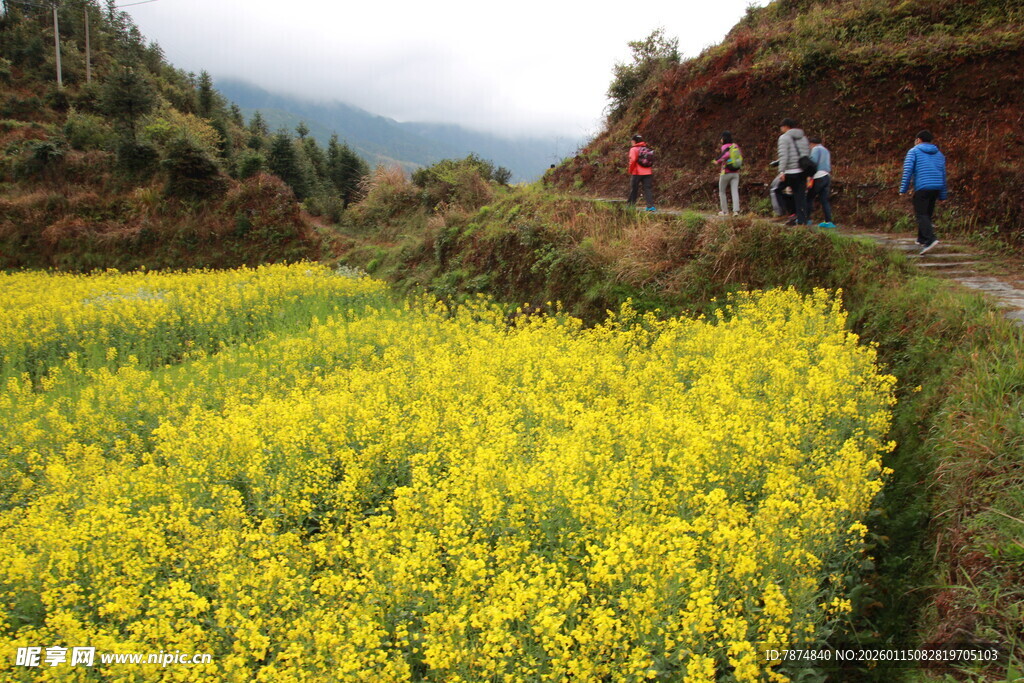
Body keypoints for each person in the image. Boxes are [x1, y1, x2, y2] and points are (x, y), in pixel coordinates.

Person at [899, 130, 947, 254]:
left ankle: (930, 239)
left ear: (918, 140)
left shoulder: (914, 151)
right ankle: (922, 239)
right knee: (927, 214)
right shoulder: (939, 154)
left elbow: (908, 171)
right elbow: (943, 175)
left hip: (923, 186)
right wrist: (943, 195)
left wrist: (903, 189)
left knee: (921, 214)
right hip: (936, 187)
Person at [775, 118, 810, 225]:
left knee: (777, 190)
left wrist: (782, 171)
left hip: (790, 172)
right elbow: (807, 154)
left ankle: (791, 213)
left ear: (786, 126)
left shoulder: (784, 138)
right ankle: (802, 221)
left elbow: (783, 155)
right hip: (802, 172)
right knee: (800, 196)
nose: (781, 128)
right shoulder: (803, 138)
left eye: (781, 126)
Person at [807, 136, 835, 228]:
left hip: (818, 176)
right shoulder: (826, 150)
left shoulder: (815, 149)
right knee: (824, 200)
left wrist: (808, 175)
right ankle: (828, 221)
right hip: (827, 176)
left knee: (809, 197)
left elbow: (813, 163)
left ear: (812, 143)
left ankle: (807, 219)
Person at [714, 131, 741, 216]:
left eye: (721, 138)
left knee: (722, 191)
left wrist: (716, 161)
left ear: (723, 138)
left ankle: (725, 211)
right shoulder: (735, 146)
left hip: (726, 172)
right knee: (735, 191)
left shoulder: (724, 146)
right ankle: (736, 211)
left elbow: (725, 155)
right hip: (736, 172)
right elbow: (739, 156)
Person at [627, 134, 655, 212]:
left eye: (632, 141)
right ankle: (650, 206)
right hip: (648, 172)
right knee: (647, 189)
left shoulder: (633, 149)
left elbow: (632, 160)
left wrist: (630, 170)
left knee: (634, 189)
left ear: (634, 141)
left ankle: (631, 206)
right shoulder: (646, 148)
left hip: (637, 172)